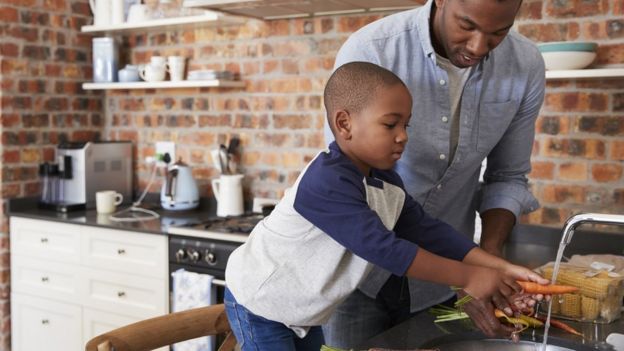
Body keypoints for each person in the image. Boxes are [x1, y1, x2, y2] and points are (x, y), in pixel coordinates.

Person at [224, 61, 548, 351]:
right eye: (390, 124)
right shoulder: (326, 181)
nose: (403, 136)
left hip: (300, 312)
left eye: (406, 125)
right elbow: (385, 250)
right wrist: (469, 277)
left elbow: (424, 230)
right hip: (260, 305)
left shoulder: (385, 181)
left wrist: (496, 266)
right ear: (344, 124)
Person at [322, 0, 546, 347]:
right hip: (353, 278)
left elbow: (507, 177)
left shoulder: (525, 65)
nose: (478, 47)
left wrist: (490, 261)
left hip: (437, 286)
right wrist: (469, 274)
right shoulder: (372, 50)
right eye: (467, 26)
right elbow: (368, 218)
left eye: (498, 32)